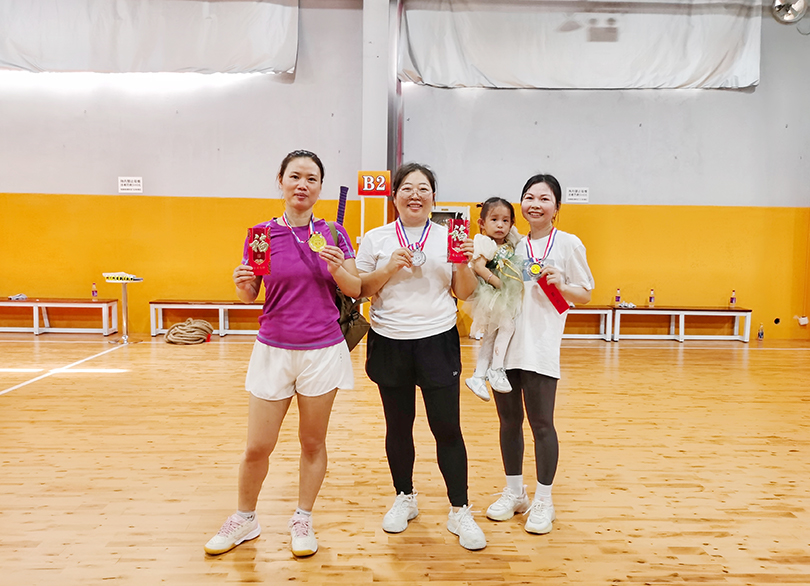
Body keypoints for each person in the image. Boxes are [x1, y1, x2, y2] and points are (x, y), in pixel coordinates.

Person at [204, 150, 360, 558]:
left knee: (312, 442)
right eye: (295, 176)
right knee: (258, 446)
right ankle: (245, 518)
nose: (302, 185)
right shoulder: (261, 234)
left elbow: (356, 288)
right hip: (273, 348)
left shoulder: (335, 234)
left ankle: (302, 518)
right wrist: (241, 282)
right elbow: (250, 294)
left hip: (322, 350)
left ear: (320, 187)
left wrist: (338, 267)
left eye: (311, 179)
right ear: (281, 181)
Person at [355, 162, 487, 551]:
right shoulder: (376, 238)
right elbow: (360, 290)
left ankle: (460, 509)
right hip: (389, 340)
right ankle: (405, 497)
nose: (415, 195)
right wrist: (389, 267)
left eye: (423, 188)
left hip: (437, 341)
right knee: (398, 428)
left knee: (447, 429)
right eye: (407, 188)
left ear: (433, 197)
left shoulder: (450, 237)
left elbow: (464, 293)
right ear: (394, 196)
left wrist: (462, 262)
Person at [486, 174, 594, 535]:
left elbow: (585, 294)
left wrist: (562, 284)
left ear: (556, 207)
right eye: (529, 197)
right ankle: (515, 493)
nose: (535, 204)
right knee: (508, 422)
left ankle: (544, 499)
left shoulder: (568, 243)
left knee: (542, 424)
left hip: (541, 347)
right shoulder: (510, 245)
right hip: (505, 349)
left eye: (544, 199)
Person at [464, 197, 523, 402]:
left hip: (503, 294)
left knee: (490, 336)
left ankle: (478, 376)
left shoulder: (509, 242)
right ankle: (496, 369)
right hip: (492, 294)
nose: (500, 225)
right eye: (494, 220)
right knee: (507, 327)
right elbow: (479, 267)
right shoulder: (484, 242)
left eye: (505, 221)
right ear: (482, 223)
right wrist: (499, 283)